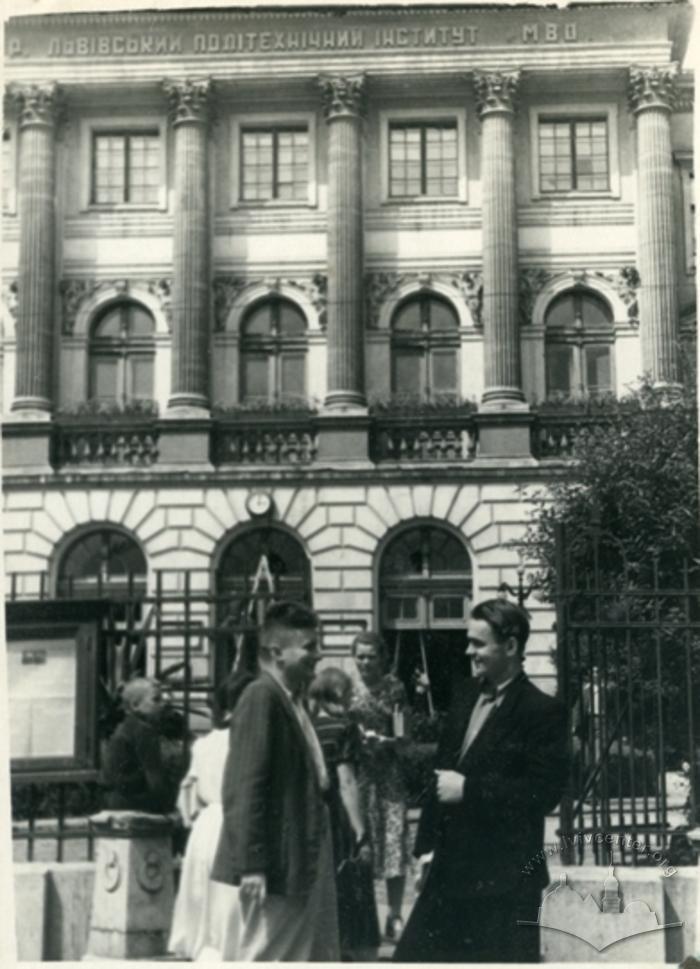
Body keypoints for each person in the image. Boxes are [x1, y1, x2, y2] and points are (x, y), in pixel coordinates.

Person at [394, 599, 569, 964]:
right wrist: (424, 849)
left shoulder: (542, 711)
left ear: (510, 646)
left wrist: (470, 790)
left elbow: (544, 792)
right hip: (446, 873)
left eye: (477, 643)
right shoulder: (464, 696)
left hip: (502, 884)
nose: (467, 651)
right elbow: (442, 772)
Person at [211, 600, 339, 962]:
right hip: (281, 862)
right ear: (276, 652)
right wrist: (253, 864)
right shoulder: (261, 697)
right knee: (268, 956)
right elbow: (244, 786)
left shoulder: (292, 700)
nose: (319, 655)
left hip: (303, 852)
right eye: (310, 647)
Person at [168, 672, 256, 961]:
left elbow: (188, 787)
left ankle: (205, 945)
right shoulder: (249, 741)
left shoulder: (204, 743)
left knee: (204, 890)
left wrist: (190, 817)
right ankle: (232, 947)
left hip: (207, 823)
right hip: (233, 818)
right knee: (229, 895)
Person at [309, 666, 380, 961]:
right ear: (338, 694)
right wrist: (361, 831)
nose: (351, 700)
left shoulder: (310, 726)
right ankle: (354, 949)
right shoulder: (345, 728)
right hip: (339, 818)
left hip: (315, 815)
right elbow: (347, 782)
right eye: (349, 693)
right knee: (353, 884)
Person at [349, 631, 411, 942]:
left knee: (393, 843)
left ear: (382, 658)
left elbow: (403, 737)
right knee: (361, 844)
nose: (365, 662)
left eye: (371, 656)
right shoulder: (347, 689)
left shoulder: (394, 688)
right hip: (357, 777)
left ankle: (395, 914)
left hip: (389, 775)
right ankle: (364, 916)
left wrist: (384, 741)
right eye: (360, 656)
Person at [101, 677, 178, 813]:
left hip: (115, 801)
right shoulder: (143, 731)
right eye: (156, 700)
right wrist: (169, 807)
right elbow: (154, 777)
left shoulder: (127, 726)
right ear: (135, 705)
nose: (163, 704)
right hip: (134, 804)